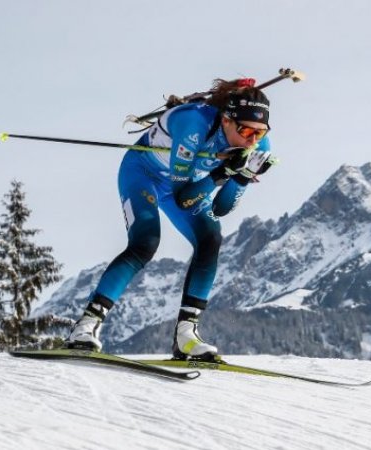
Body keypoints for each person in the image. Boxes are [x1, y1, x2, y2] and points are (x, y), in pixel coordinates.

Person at [65, 77, 275, 361]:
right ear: (226, 120)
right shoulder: (193, 125)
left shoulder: (259, 147)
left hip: (187, 184)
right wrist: (222, 174)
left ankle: (186, 336)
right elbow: (181, 198)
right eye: (247, 130)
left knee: (211, 238)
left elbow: (223, 207)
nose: (253, 140)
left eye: (260, 133)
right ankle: (85, 326)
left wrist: (243, 178)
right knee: (145, 242)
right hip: (144, 175)